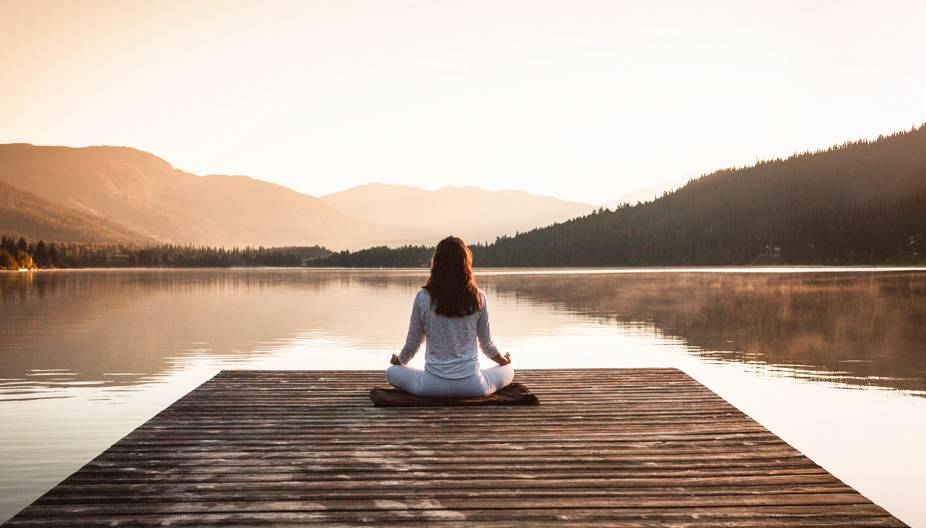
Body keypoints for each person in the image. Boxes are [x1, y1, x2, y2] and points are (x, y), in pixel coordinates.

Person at [387, 236, 514, 398]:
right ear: (465, 264)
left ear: (436, 264)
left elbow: (413, 343)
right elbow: (487, 345)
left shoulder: (423, 297)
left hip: (432, 387)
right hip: (473, 387)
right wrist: (504, 361)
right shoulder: (478, 297)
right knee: (509, 370)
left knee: (392, 371)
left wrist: (399, 361)